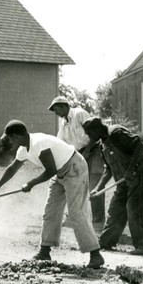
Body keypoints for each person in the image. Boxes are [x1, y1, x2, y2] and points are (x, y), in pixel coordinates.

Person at [0, 119, 105, 269]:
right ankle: (44, 251)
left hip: (74, 167)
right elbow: (12, 169)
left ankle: (95, 255)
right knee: (51, 211)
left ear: (16, 136)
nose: (9, 142)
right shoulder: (23, 149)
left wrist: (31, 183)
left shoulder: (38, 144)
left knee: (76, 212)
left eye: (9, 138)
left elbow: (50, 171)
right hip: (60, 172)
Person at [82, 117, 143, 256]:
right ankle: (106, 241)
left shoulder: (115, 133)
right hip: (123, 178)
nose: (88, 137)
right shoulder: (102, 145)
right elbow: (109, 169)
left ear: (96, 130)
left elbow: (139, 144)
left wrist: (131, 168)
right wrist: (98, 187)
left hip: (140, 172)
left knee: (135, 207)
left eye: (89, 133)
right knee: (116, 207)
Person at [48, 96, 106, 230]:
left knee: (94, 185)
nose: (55, 112)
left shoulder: (79, 114)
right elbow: (60, 142)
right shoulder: (63, 124)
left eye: (55, 109)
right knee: (75, 185)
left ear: (63, 106)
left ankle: (98, 222)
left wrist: (88, 151)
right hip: (78, 154)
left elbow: (95, 133)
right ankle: (74, 217)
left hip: (95, 150)